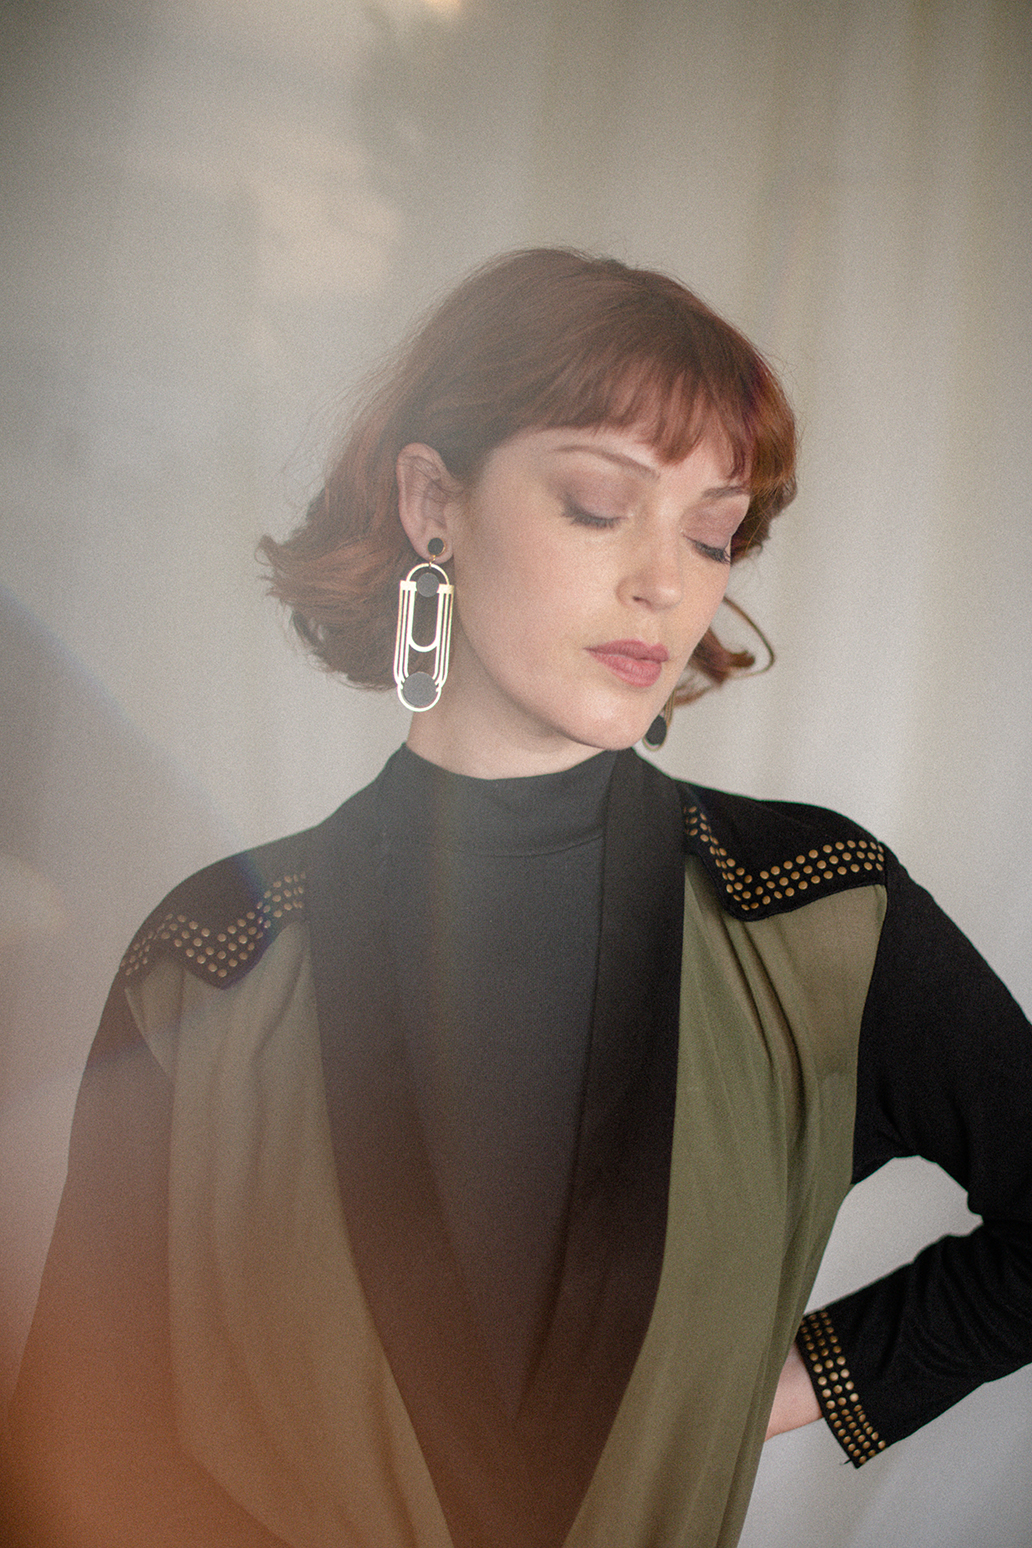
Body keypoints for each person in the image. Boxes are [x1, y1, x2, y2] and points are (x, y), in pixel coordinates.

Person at [10, 248, 1032, 1548]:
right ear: (433, 502)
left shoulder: (817, 919)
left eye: (713, 532)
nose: (668, 581)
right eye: (600, 505)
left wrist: (775, 1390)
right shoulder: (213, 956)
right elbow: (77, 1442)